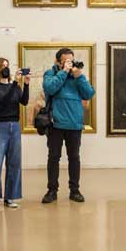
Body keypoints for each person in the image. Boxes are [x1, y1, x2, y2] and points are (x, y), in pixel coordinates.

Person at [42, 48, 95, 203]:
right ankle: (52, 191)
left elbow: (89, 94)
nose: (70, 63)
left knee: (74, 158)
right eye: (66, 61)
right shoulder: (50, 74)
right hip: (55, 124)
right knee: (53, 158)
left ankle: (75, 190)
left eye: (71, 60)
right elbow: (50, 88)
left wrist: (79, 76)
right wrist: (64, 72)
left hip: (75, 124)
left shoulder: (77, 77)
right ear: (57, 62)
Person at [0, 58, 30, 209]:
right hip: (0, 126)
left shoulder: (15, 86)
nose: (6, 68)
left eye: (7, 65)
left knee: (14, 163)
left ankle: (10, 196)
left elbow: (24, 101)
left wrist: (25, 84)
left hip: (15, 126)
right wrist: (14, 84)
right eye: (3, 66)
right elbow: (3, 101)